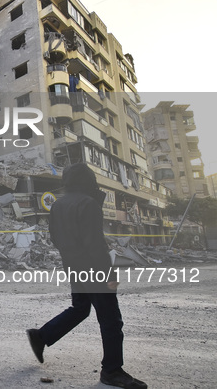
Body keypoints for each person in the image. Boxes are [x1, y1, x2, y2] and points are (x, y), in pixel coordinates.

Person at [26, 163, 147, 389]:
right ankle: (111, 371)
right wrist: (109, 273)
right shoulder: (88, 203)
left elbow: (55, 238)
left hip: (74, 267)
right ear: (88, 180)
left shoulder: (58, 205)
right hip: (94, 269)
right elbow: (95, 245)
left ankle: (41, 336)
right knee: (111, 319)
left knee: (80, 309)